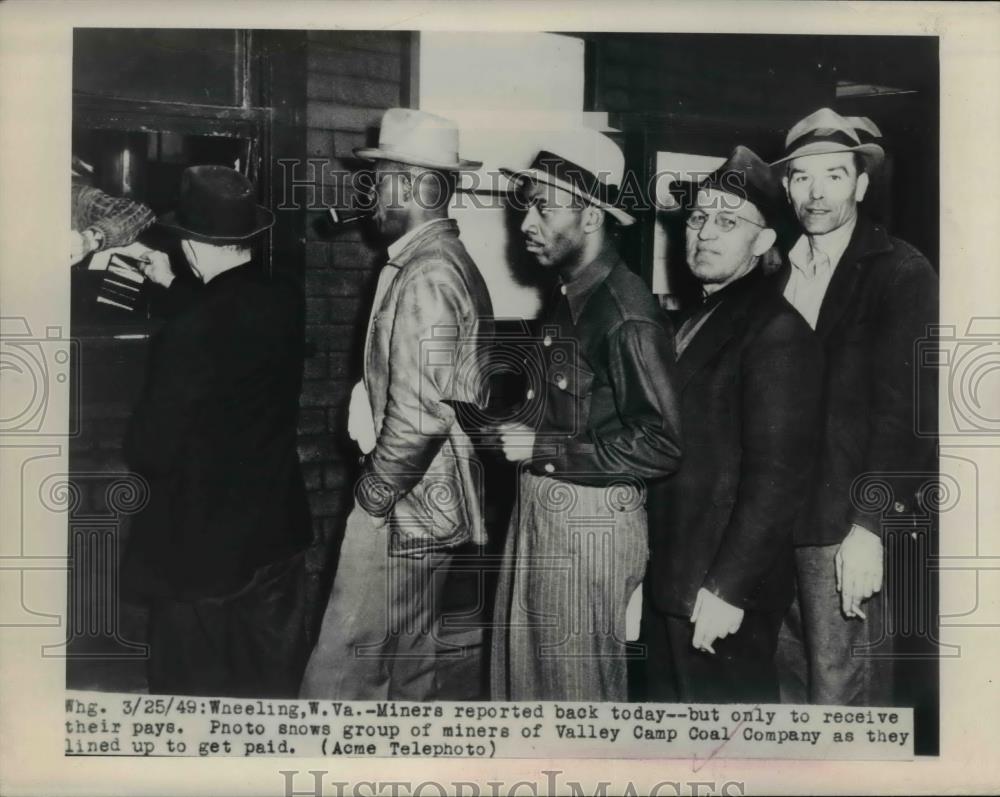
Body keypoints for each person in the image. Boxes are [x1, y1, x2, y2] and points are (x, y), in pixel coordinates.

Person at [299, 108, 493, 700]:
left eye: (378, 180)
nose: (371, 194)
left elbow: (421, 415)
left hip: (403, 507)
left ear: (408, 186)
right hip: (428, 507)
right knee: (410, 670)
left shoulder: (428, 273)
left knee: (341, 679)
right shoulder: (441, 261)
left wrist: (371, 501)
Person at [492, 129, 682, 701]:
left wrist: (545, 450)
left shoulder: (624, 313)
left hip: (589, 522)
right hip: (549, 509)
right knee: (528, 683)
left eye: (545, 208)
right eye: (528, 206)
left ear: (593, 217)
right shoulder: (571, 295)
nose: (527, 223)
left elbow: (662, 443)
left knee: (575, 696)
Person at [121, 165, 312, 697]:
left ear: (193, 246)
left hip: (202, 552)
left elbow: (151, 449)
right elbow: (231, 325)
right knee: (271, 686)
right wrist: (175, 287)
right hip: (276, 532)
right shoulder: (285, 299)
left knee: (192, 692)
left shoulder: (190, 329)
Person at [641, 146, 823, 703]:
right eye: (698, 217)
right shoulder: (703, 314)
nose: (705, 233)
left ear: (764, 241)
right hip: (676, 575)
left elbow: (777, 479)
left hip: (718, 593)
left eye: (728, 221)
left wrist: (727, 589)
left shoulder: (776, 330)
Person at [772, 107, 939, 705]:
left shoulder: (899, 271)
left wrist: (869, 528)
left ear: (861, 185)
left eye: (835, 175)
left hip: (841, 526)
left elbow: (908, 415)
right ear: (787, 185)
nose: (816, 193)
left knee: (842, 699)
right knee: (788, 694)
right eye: (802, 176)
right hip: (776, 521)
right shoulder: (776, 272)